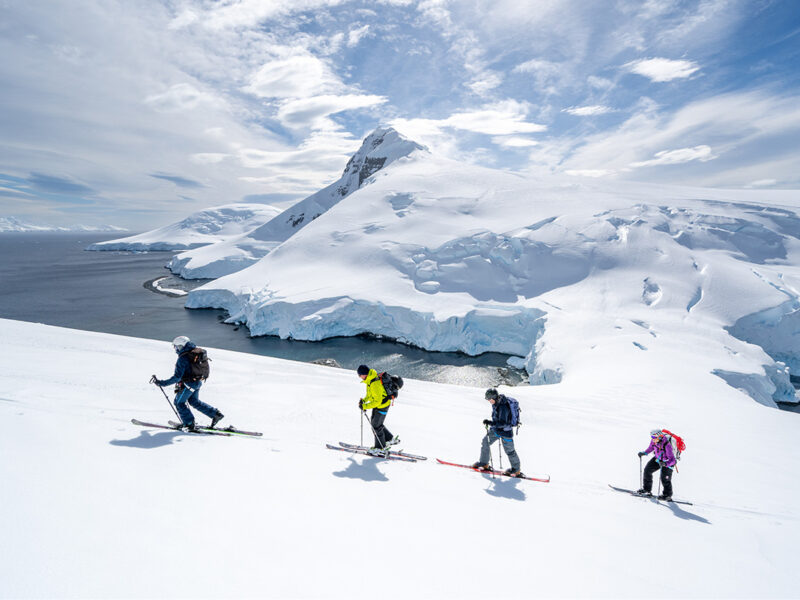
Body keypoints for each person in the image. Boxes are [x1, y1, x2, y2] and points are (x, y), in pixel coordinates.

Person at [152, 336, 224, 432]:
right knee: (194, 401)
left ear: (181, 346)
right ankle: (215, 414)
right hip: (197, 382)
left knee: (179, 403)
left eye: (176, 347)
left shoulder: (183, 358)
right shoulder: (195, 353)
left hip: (189, 384)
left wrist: (162, 383)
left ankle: (189, 424)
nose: (175, 349)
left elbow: (177, 377)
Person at [472, 388, 523, 477]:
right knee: (485, 442)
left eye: (489, 399)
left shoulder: (503, 406)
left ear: (494, 397)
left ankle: (516, 470)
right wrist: (492, 423)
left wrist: (490, 423)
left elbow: (503, 423)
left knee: (510, 451)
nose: (488, 401)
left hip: (505, 432)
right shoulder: (497, 403)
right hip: (496, 430)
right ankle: (484, 463)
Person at [357, 364, 399, 455]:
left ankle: (380, 448)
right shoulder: (370, 380)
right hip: (380, 405)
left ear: (364, 374)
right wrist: (364, 401)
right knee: (376, 424)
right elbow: (370, 395)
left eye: (359, 375)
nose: (359, 377)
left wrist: (365, 406)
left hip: (382, 405)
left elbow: (377, 401)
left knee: (376, 426)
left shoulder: (374, 384)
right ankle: (389, 439)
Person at [637, 429, 676, 501]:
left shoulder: (667, 445)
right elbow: (650, 448)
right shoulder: (654, 441)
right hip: (658, 459)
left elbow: (673, 460)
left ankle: (667, 495)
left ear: (660, 436)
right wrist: (644, 453)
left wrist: (665, 463)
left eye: (654, 437)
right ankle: (646, 490)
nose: (652, 439)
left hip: (667, 462)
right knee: (647, 470)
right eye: (651, 437)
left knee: (664, 478)